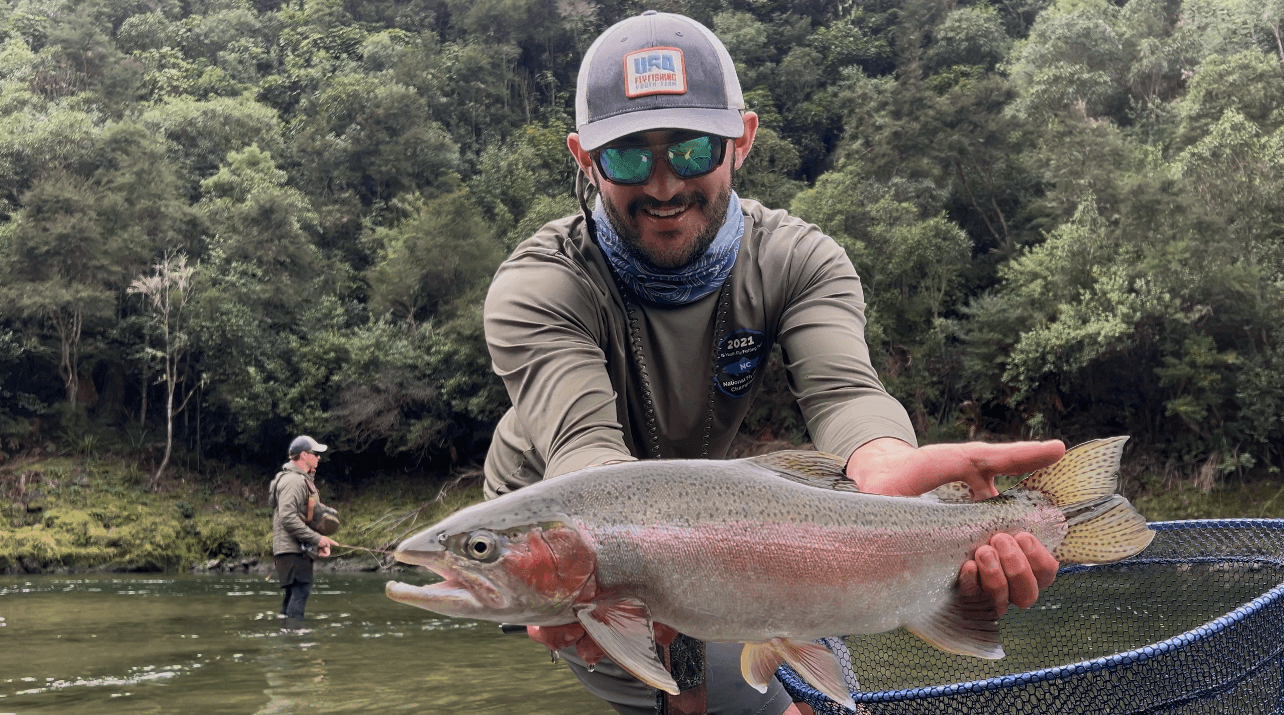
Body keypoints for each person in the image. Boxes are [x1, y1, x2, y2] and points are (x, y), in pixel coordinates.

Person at [480, 10, 1063, 715]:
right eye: (629, 157)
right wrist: (596, 559)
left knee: (805, 699)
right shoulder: (539, 286)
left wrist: (884, 468)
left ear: (742, 139)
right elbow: (585, 455)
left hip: (729, 526)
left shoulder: (800, 259)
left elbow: (845, 395)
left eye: (693, 150)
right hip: (554, 540)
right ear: (585, 158)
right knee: (707, 702)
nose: (663, 186)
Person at [269, 435, 339, 629]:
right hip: (292, 551)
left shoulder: (299, 480)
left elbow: (303, 515)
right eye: (315, 454)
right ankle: (295, 638)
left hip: (293, 549)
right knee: (300, 592)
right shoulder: (293, 481)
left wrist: (317, 542)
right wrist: (318, 539)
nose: (319, 457)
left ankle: (286, 633)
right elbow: (288, 517)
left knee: (293, 594)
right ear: (304, 455)